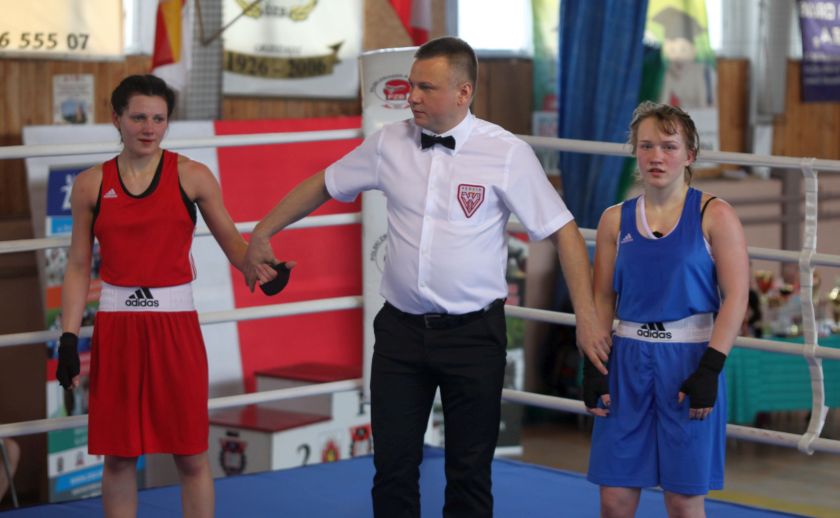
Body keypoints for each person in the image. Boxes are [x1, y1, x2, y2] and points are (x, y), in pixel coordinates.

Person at [243, 37, 610, 517]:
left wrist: (586, 319)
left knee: (469, 475)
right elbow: (324, 183)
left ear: (464, 92)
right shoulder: (387, 143)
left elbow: (564, 232)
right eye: (411, 85)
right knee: (392, 470)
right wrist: (263, 231)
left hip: (474, 336)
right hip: (400, 334)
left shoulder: (506, 152)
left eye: (426, 88)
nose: (411, 96)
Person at [57, 74, 275, 518]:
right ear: (116, 119)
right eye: (138, 117)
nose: (149, 128)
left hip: (176, 328)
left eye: (159, 119)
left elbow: (235, 247)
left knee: (190, 454)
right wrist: (67, 338)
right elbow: (78, 266)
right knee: (119, 457)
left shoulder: (193, 175)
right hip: (117, 327)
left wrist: (262, 268)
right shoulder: (90, 185)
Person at [584, 101, 749, 518]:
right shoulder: (614, 220)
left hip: (689, 359)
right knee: (614, 499)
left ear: (689, 154)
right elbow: (602, 298)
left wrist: (710, 368)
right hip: (627, 359)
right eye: (647, 146)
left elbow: (736, 296)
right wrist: (594, 362)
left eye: (669, 147)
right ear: (635, 152)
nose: (657, 157)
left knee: (683, 500)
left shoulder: (716, 215)